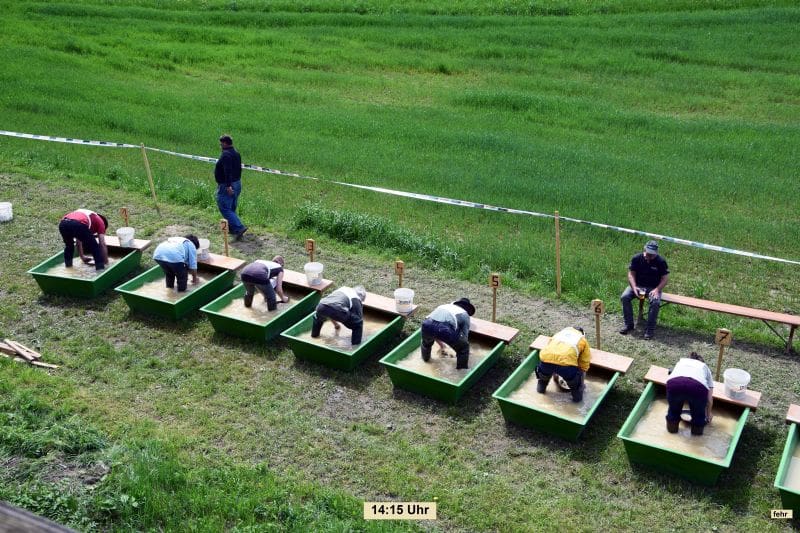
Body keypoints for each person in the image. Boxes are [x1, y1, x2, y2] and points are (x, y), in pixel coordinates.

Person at [619, 240, 669, 340]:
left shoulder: (661, 262)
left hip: (653, 288)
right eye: (647, 253)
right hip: (638, 286)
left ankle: (649, 329)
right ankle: (629, 325)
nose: (649, 256)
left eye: (652, 255)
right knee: (625, 297)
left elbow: (665, 278)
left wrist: (657, 290)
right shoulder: (637, 258)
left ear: (656, 253)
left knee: (655, 303)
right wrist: (634, 287)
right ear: (644, 249)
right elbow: (631, 274)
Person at [535, 326, 591, 402]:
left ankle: (539, 394)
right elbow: (584, 362)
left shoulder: (558, 334)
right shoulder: (582, 340)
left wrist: (555, 371)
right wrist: (580, 380)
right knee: (576, 387)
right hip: (566, 366)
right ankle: (577, 402)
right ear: (582, 334)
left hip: (545, 361)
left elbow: (551, 350)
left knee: (542, 380)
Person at [665, 352, 714, 436]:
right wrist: (708, 415)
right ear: (702, 362)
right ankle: (696, 439)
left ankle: (671, 433)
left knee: (673, 412)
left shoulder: (680, 362)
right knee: (699, 417)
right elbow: (709, 400)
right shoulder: (705, 368)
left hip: (674, 383)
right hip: (697, 386)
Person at [420, 298, 476, 370]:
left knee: (426, 344)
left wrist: (442, 345)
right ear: (468, 310)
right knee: (464, 348)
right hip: (444, 329)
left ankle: (425, 361)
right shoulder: (465, 314)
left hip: (426, 325)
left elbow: (433, 328)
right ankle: (461, 372)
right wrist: (466, 352)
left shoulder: (444, 306)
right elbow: (465, 337)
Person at [215, 134, 247, 241]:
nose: (220, 146)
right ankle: (232, 228)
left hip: (227, 185)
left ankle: (239, 227)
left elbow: (227, 171)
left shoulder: (226, 155)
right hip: (237, 183)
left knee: (224, 207)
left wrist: (228, 186)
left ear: (225, 143)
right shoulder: (236, 153)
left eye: (221, 144)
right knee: (232, 207)